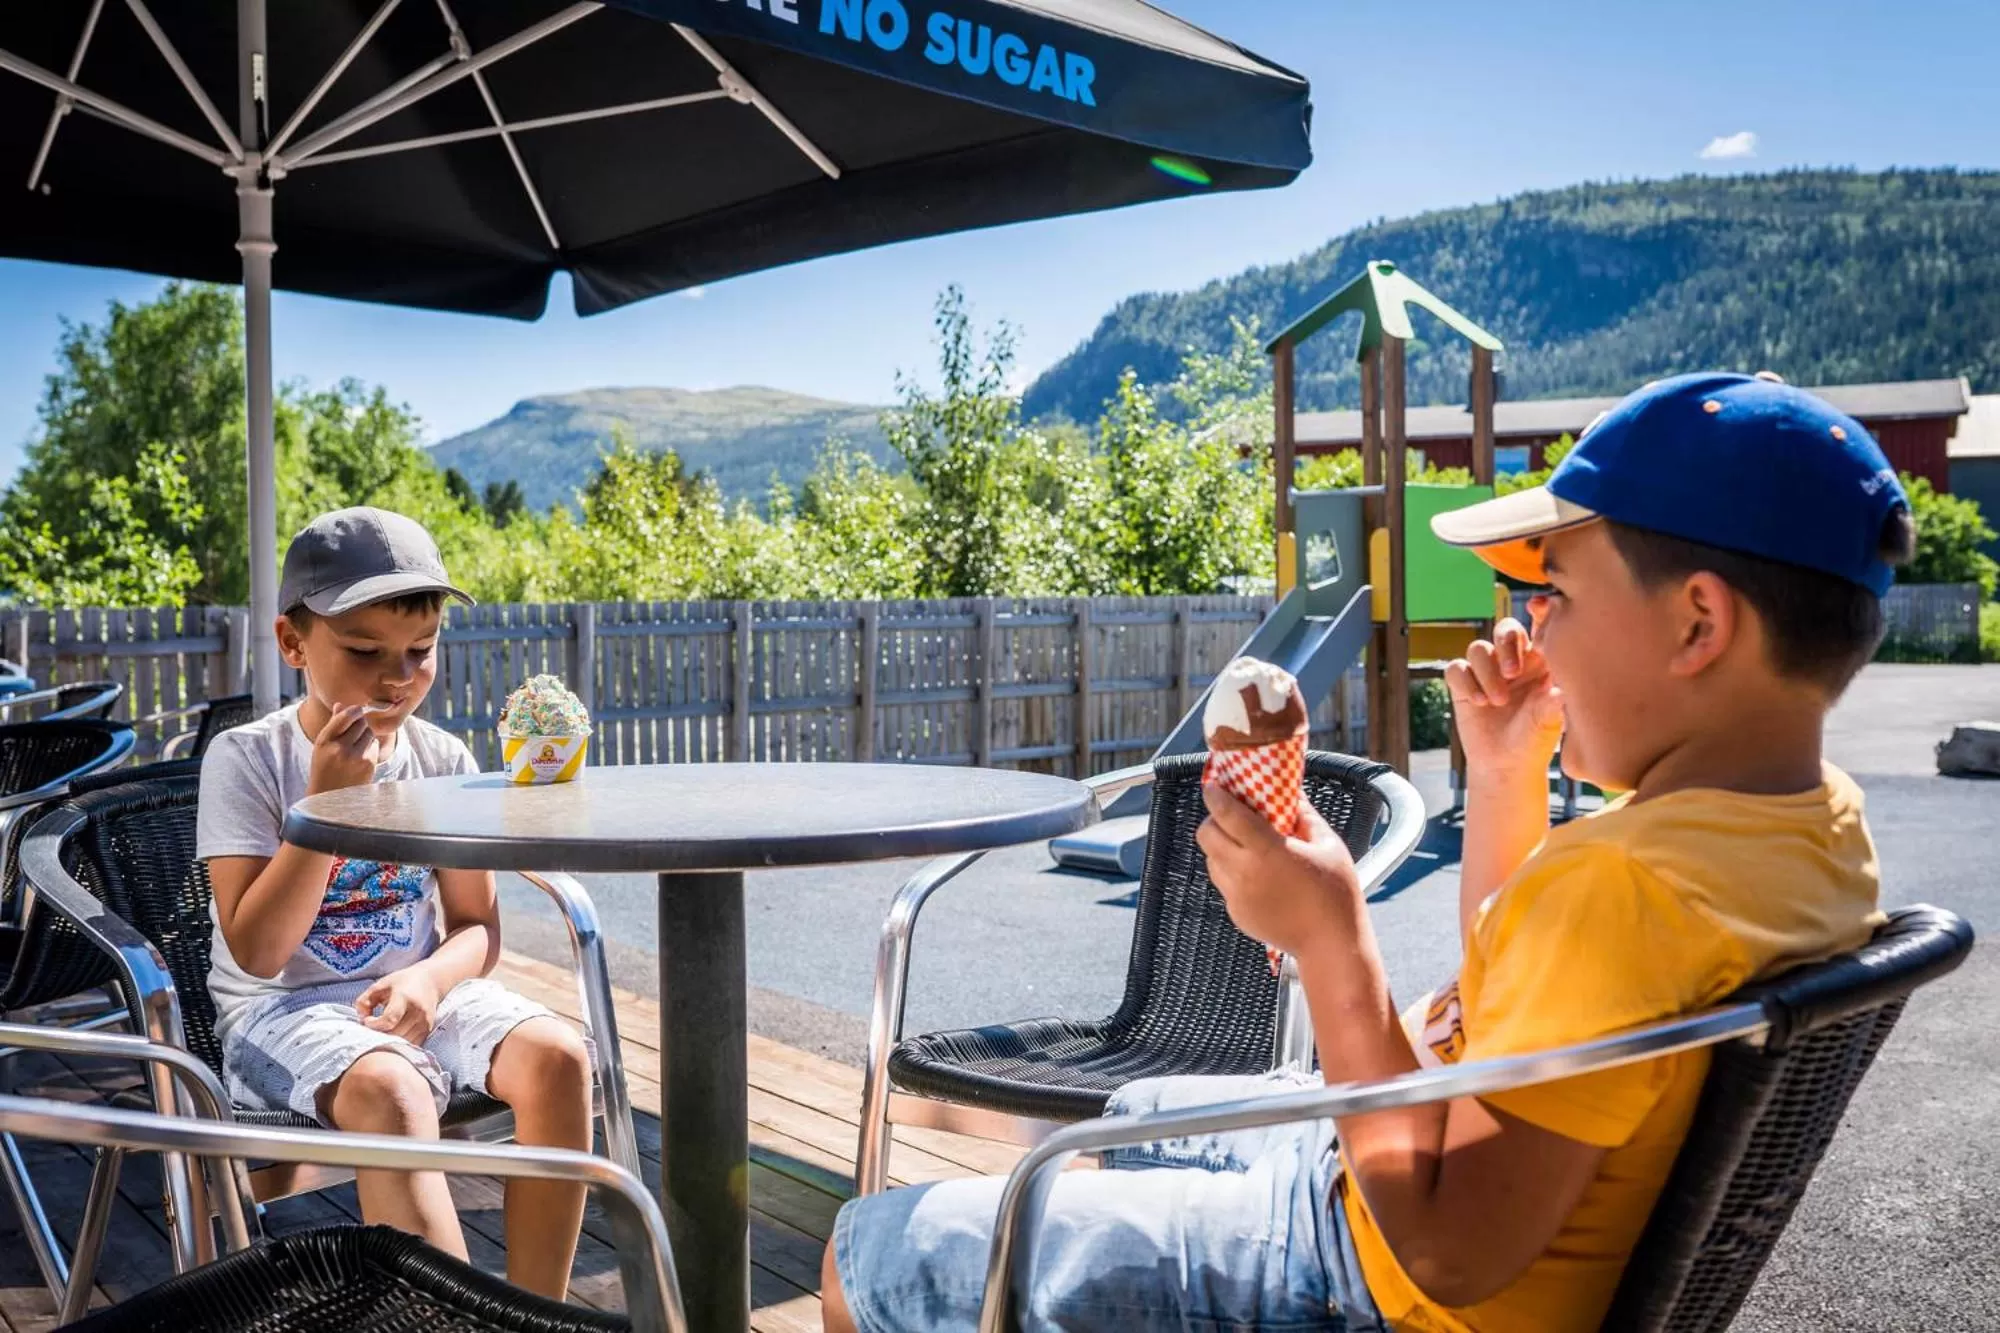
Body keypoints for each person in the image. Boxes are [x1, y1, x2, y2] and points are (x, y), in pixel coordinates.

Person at [820, 372, 1911, 1333]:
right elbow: (1521, 1000)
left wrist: (1331, 944)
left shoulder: (1623, 886)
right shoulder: (1804, 831)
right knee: (1129, 1120)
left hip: (1376, 1280)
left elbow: (1447, 1252)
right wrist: (1500, 776)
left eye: (1558, 591)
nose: (1531, 619)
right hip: (1403, 1176)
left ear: (1696, 625)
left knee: (875, 1251)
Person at [197, 506, 593, 1301]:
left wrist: (429, 982)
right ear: (291, 642)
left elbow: (477, 927)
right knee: (396, 1090)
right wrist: (322, 810)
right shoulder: (246, 759)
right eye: (364, 651)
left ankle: (532, 1313)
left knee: (561, 1058)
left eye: (420, 652)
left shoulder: (441, 759)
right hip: (280, 1016)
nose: (395, 678)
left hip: (416, 998)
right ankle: (454, 1321)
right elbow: (258, 951)